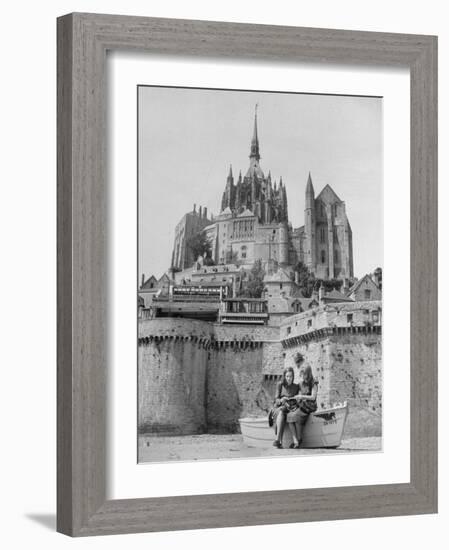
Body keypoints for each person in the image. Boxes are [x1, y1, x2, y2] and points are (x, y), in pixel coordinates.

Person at [286, 363, 319, 447]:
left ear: (308, 373)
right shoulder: (301, 384)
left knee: (296, 416)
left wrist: (301, 396)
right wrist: (297, 398)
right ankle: (296, 440)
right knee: (289, 416)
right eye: (302, 374)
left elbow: (313, 397)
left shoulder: (313, 382)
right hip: (302, 405)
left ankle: (299, 439)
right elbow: (299, 396)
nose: (303, 376)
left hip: (310, 406)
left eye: (304, 374)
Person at [272, 367, 301, 448]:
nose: (289, 378)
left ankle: (295, 441)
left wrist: (296, 400)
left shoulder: (296, 387)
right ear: (284, 376)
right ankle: (277, 440)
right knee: (281, 412)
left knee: (289, 414)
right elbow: (276, 400)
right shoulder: (280, 385)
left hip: (291, 409)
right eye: (287, 376)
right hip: (280, 408)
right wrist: (281, 400)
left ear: (293, 376)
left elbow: (299, 399)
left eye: (290, 376)